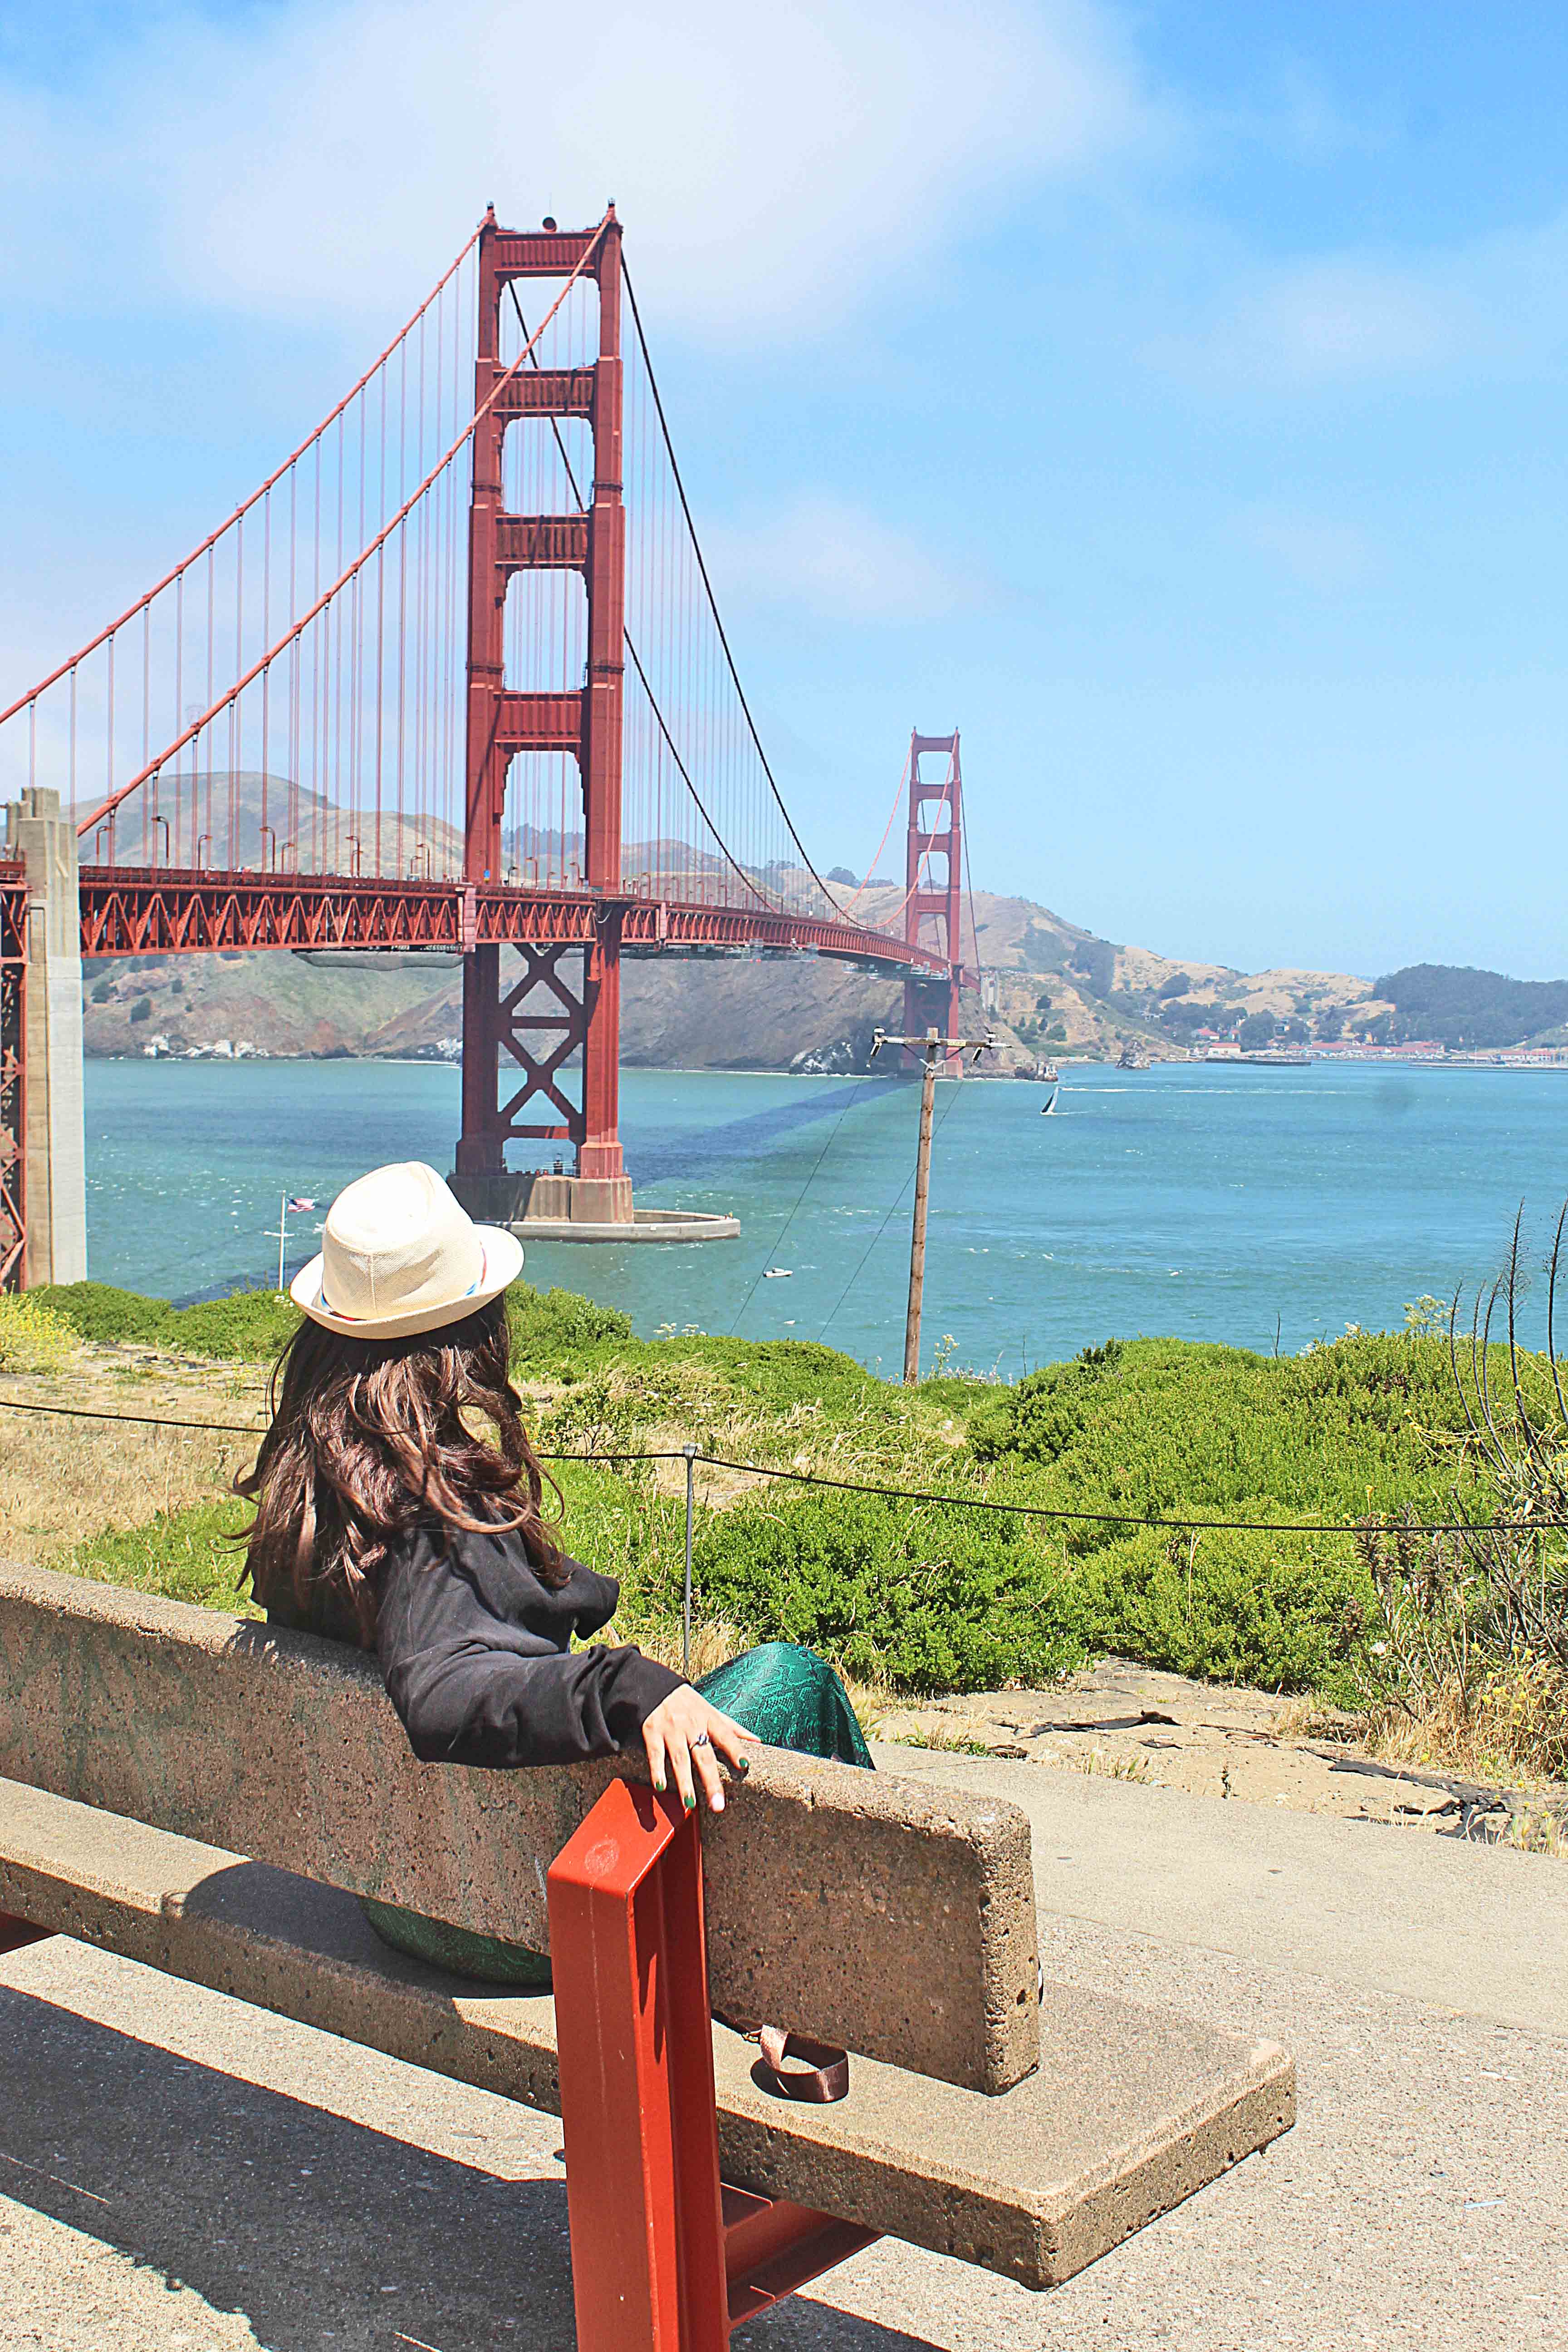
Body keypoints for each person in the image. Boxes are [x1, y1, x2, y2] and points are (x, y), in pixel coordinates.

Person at [238, 1160, 870, 1985]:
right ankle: (836, 1983)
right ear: (471, 1330)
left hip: (396, 1891)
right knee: (793, 1679)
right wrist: (627, 1683)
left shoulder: (319, 1488)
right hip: (510, 1913)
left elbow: (430, 1612)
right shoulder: (430, 1516)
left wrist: (559, 1586)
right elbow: (442, 1686)